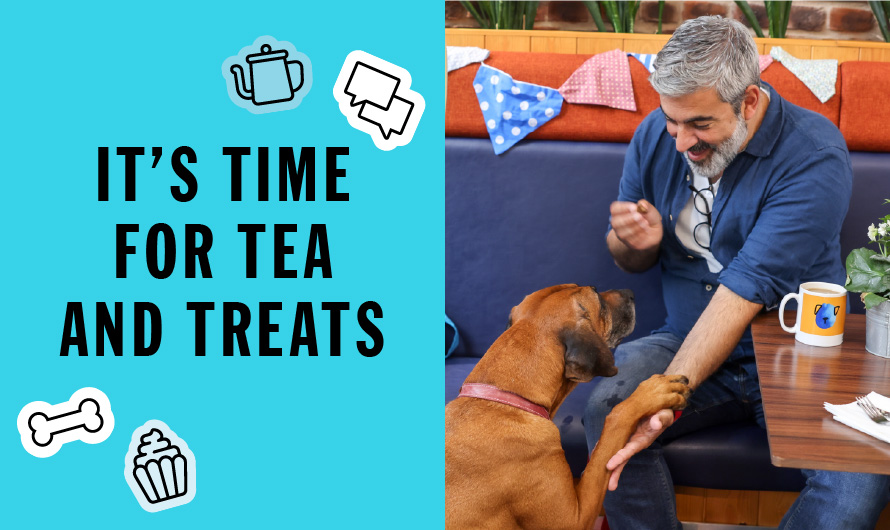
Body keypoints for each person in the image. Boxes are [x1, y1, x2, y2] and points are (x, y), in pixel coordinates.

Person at [583, 15, 890, 530]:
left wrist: (666, 397)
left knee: (862, 474)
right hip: (682, 338)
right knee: (608, 409)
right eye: (670, 121)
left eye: (700, 125)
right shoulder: (658, 136)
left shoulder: (814, 155)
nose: (680, 141)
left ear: (749, 101)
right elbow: (628, 259)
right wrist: (632, 242)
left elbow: (744, 292)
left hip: (797, 354)